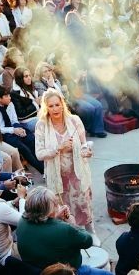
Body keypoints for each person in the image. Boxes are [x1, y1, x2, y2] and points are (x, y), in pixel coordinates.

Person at [35, 89, 94, 231]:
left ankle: (90, 230)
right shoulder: (41, 125)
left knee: (83, 201)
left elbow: (84, 143)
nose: (55, 108)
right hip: (57, 174)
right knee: (63, 205)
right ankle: (72, 232)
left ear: (62, 104)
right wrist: (59, 148)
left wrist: (86, 151)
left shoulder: (74, 120)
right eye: (51, 106)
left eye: (57, 104)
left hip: (77, 170)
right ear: (46, 107)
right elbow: (39, 154)